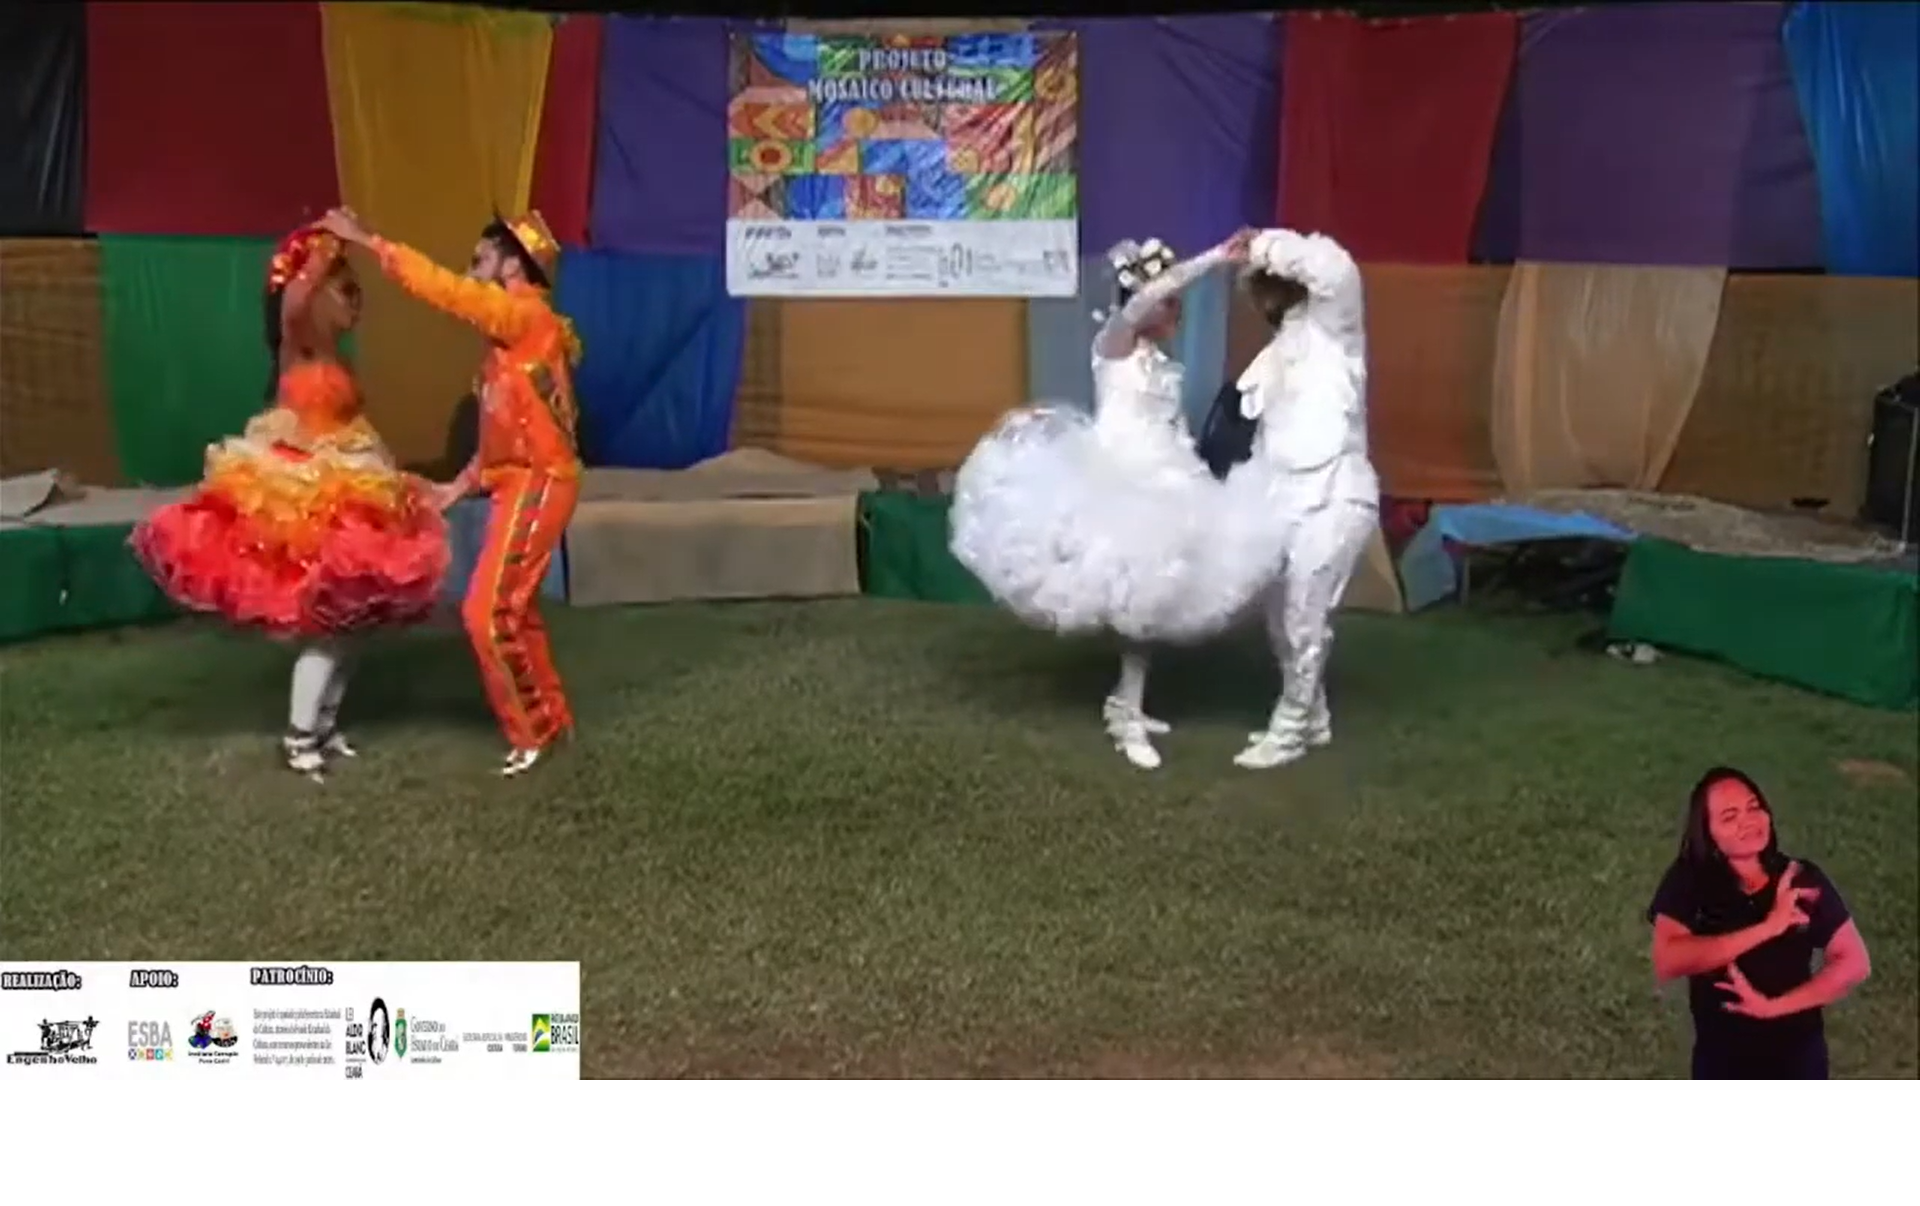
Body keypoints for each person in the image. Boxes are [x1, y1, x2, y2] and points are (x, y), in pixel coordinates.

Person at [130, 224, 450, 782]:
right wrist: (327, 243)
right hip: (300, 494)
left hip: (345, 482)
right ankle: (300, 738)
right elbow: (297, 296)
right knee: (328, 627)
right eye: (343, 290)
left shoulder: (330, 353)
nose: (353, 302)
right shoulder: (296, 336)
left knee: (354, 624)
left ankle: (323, 726)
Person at [951, 230, 1269, 770]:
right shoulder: (1114, 341)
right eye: (1170, 303)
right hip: (1119, 479)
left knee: (1153, 597)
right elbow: (1146, 301)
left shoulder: (1159, 359)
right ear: (1142, 300)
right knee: (1135, 593)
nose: (1175, 312)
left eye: (1178, 305)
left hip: (1166, 475)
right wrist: (1215, 257)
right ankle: (1125, 711)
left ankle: (1128, 701)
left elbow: (1167, 420)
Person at [317, 206, 582, 777]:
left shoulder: (526, 317)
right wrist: (454, 488)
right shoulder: (503, 350)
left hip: (541, 482)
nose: (471, 269)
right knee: (513, 613)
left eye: (481, 259)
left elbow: (446, 291)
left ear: (512, 265)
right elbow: (501, 440)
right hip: (522, 482)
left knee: (486, 614)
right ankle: (552, 724)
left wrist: (368, 239)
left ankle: (532, 734)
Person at [1219, 228, 1381, 770]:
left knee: (1302, 612)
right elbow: (1272, 442)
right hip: (1284, 495)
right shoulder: (1275, 353)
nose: (1265, 295)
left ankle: (1288, 728)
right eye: (1259, 287)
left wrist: (1262, 243)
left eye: (1271, 282)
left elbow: (1333, 269)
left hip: (1337, 492)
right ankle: (1314, 717)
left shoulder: (1336, 327)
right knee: (1279, 617)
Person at [1647, 767, 1872, 1079]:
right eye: (1730, 816)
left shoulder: (1800, 879)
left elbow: (1854, 962)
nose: (1749, 821)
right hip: (1723, 1063)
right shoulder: (1690, 880)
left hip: (1798, 1060)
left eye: (1754, 807)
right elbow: (1668, 960)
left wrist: (1772, 1007)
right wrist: (1769, 927)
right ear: (1708, 832)